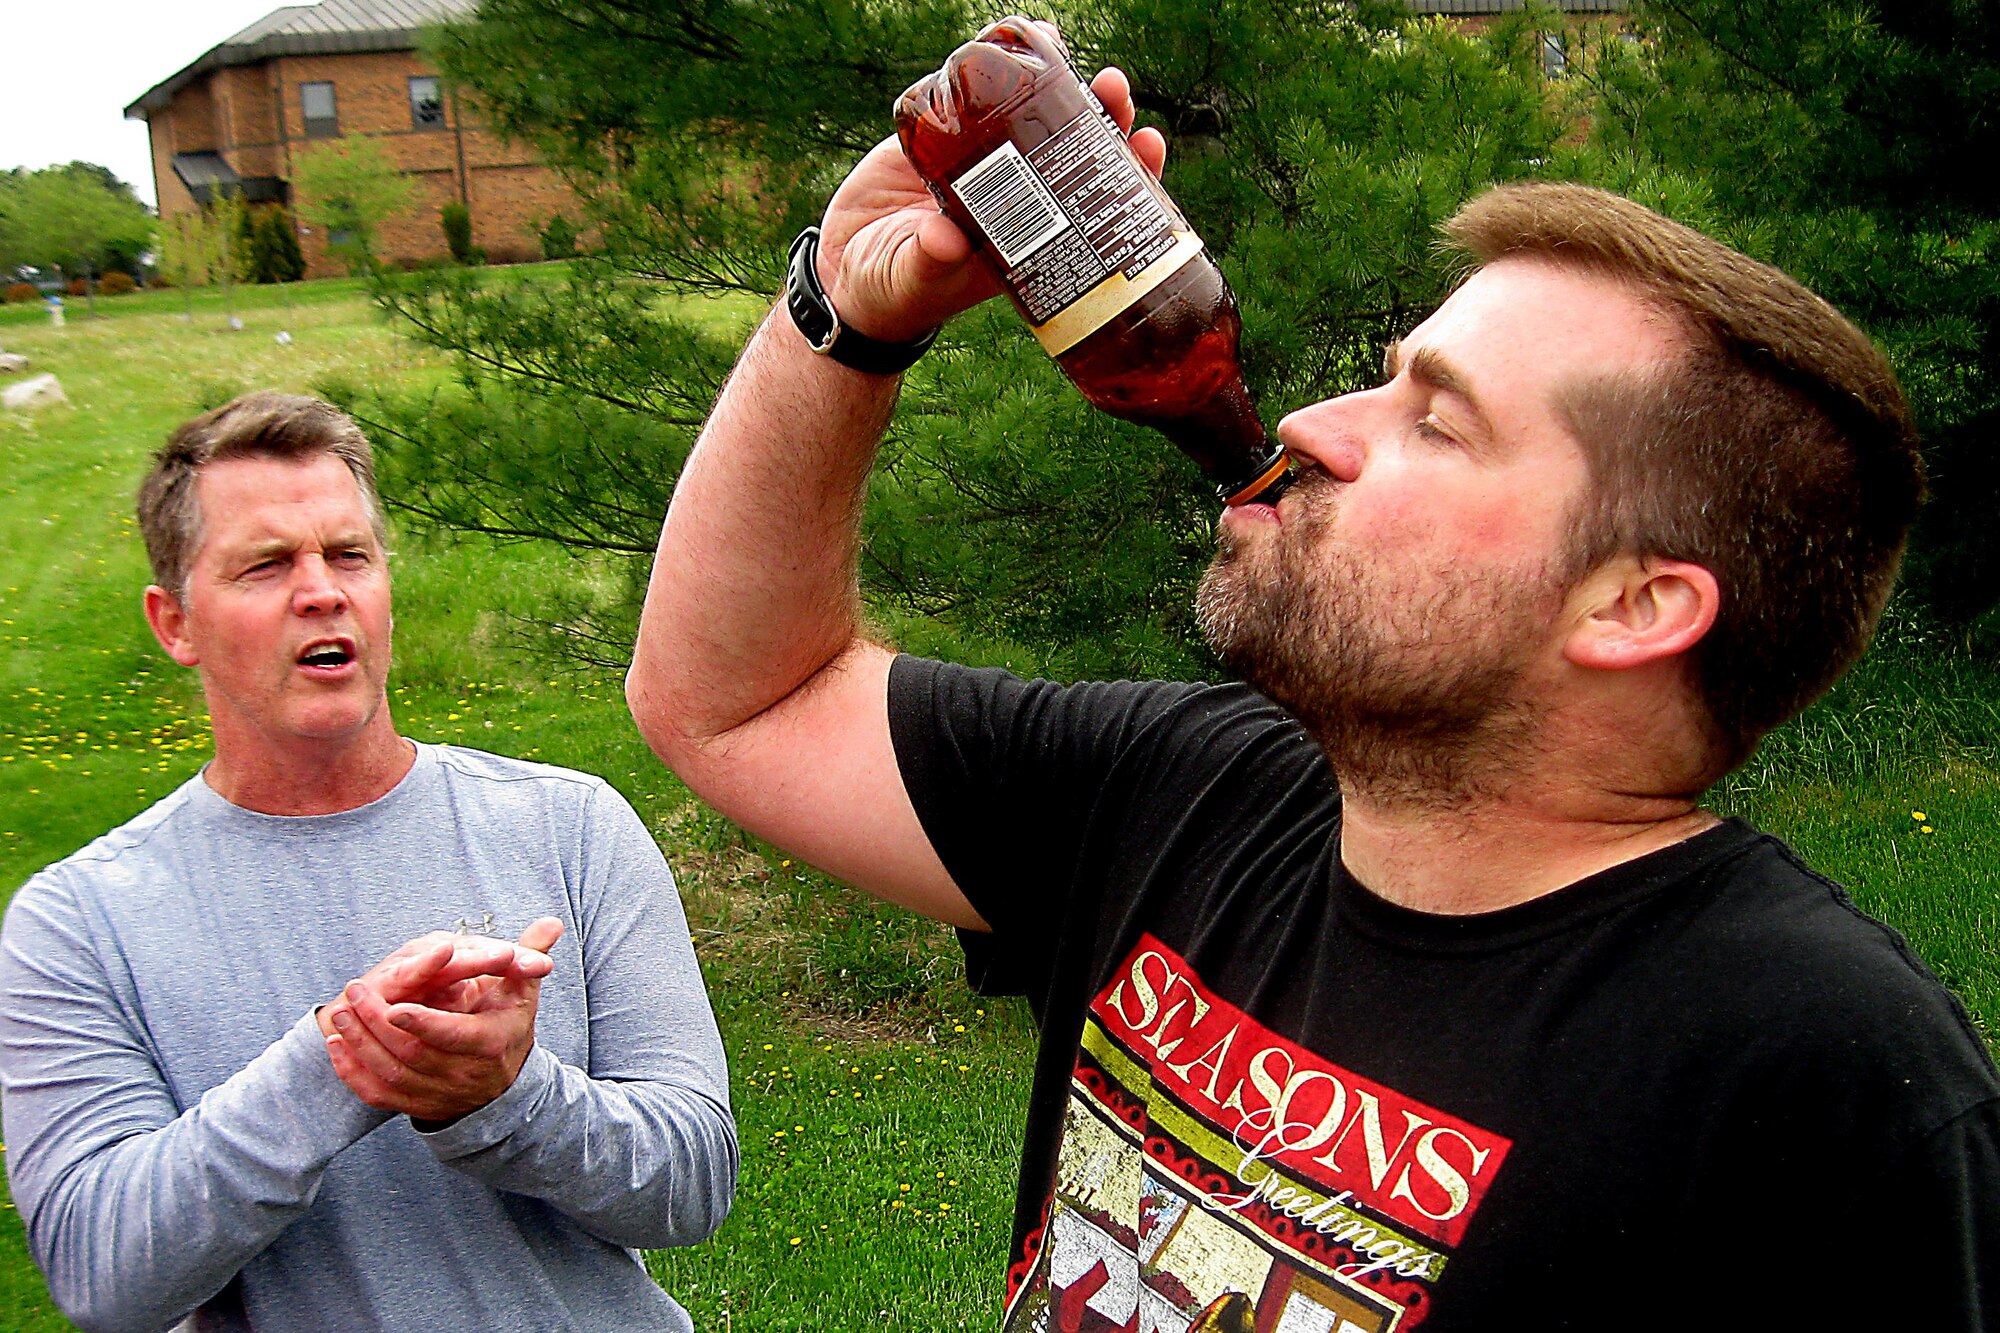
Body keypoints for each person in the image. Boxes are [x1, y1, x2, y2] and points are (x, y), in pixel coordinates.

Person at [623, 56, 1998, 1333]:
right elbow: (734, 699)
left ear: (1633, 607)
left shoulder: (1828, 1083)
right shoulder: (1193, 794)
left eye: (1434, 421)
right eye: (1384, 378)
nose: (1311, 425)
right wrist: (844, 313)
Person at [0, 392, 736, 1331]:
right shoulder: (79, 923)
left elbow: (695, 1181)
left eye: (349, 554)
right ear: (174, 622)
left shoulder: (572, 826)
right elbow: (103, 1275)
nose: (321, 589)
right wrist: (338, 1061)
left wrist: (510, 1097)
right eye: (266, 565)